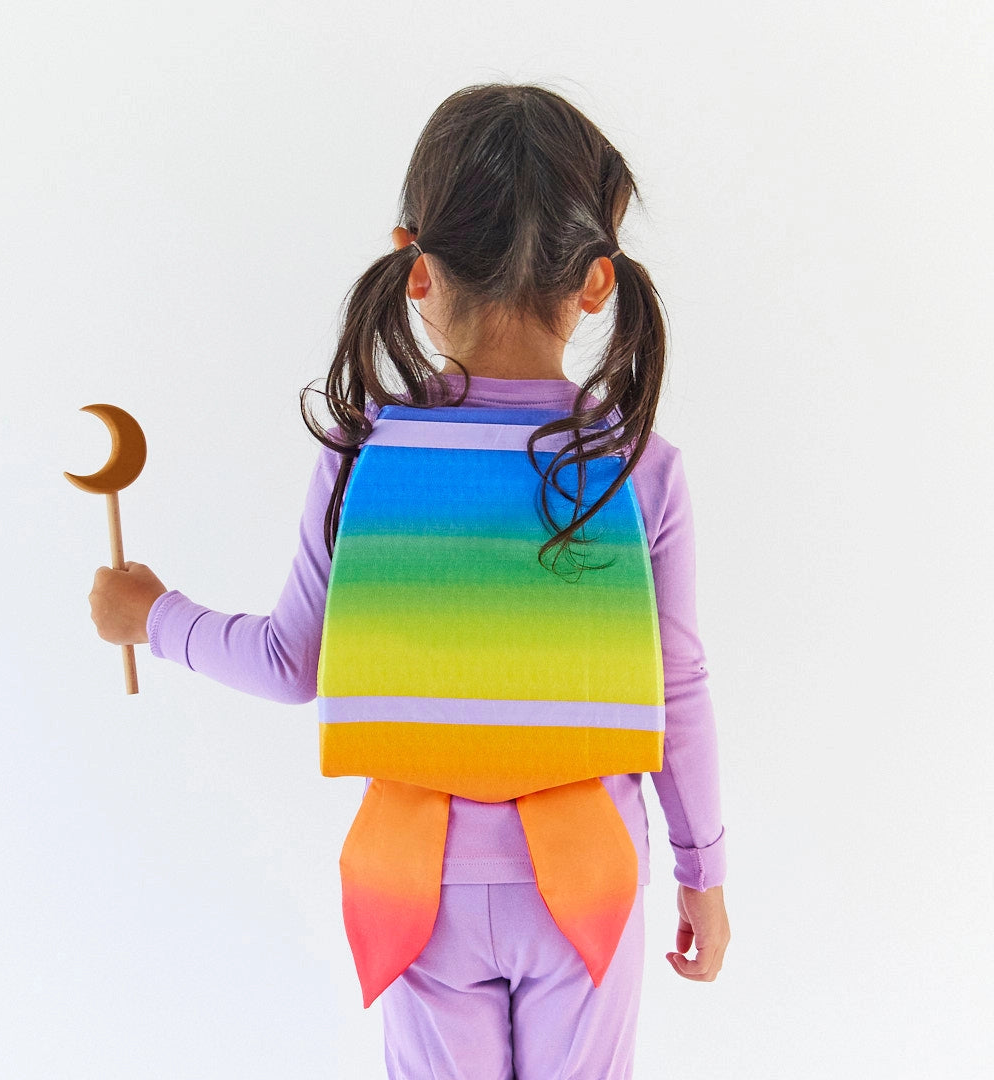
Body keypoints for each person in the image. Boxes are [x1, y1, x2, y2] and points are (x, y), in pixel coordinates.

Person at [88, 82, 730, 1080]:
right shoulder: (640, 465)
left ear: (416, 267)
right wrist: (705, 874)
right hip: (587, 877)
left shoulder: (363, 453)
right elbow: (676, 693)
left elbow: (288, 662)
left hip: (414, 880)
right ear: (598, 282)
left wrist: (150, 616)